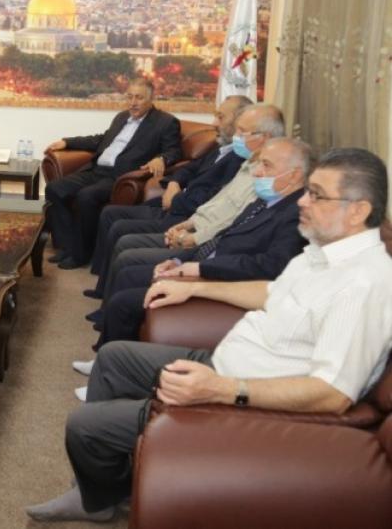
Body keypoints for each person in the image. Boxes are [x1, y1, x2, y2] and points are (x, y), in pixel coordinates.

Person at [26, 147, 392, 522]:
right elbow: (272, 292)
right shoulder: (324, 253)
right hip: (226, 364)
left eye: (316, 195)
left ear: (358, 211)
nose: (302, 201)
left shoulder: (363, 285)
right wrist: (196, 288)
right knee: (113, 358)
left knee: (84, 427)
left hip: (244, 394)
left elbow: (333, 393)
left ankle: (100, 494)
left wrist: (223, 390)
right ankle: (101, 488)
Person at [71, 137, 312, 391]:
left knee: (124, 301)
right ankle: (103, 364)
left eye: (267, 165)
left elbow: (269, 266)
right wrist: (177, 260)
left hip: (223, 281)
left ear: (295, 175)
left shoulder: (295, 214)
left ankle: (108, 377)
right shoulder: (266, 201)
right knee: (130, 274)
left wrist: (199, 269)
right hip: (203, 263)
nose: (258, 171)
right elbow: (223, 238)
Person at [89, 104, 285, 299]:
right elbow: (199, 178)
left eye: (241, 130)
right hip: (190, 219)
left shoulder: (261, 176)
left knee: (126, 250)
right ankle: (104, 292)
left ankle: (110, 300)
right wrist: (175, 188)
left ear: (264, 137)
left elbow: (230, 219)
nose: (235, 134)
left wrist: (190, 231)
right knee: (114, 218)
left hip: (196, 230)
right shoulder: (242, 158)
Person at [44, 79, 181, 269]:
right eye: (129, 97)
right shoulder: (122, 117)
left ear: (151, 99)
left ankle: (80, 254)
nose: (132, 102)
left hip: (119, 177)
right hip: (95, 171)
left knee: (86, 196)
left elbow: (174, 150)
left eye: (139, 98)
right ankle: (67, 247)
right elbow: (101, 140)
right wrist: (67, 142)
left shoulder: (165, 122)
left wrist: (162, 158)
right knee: (54, 189)